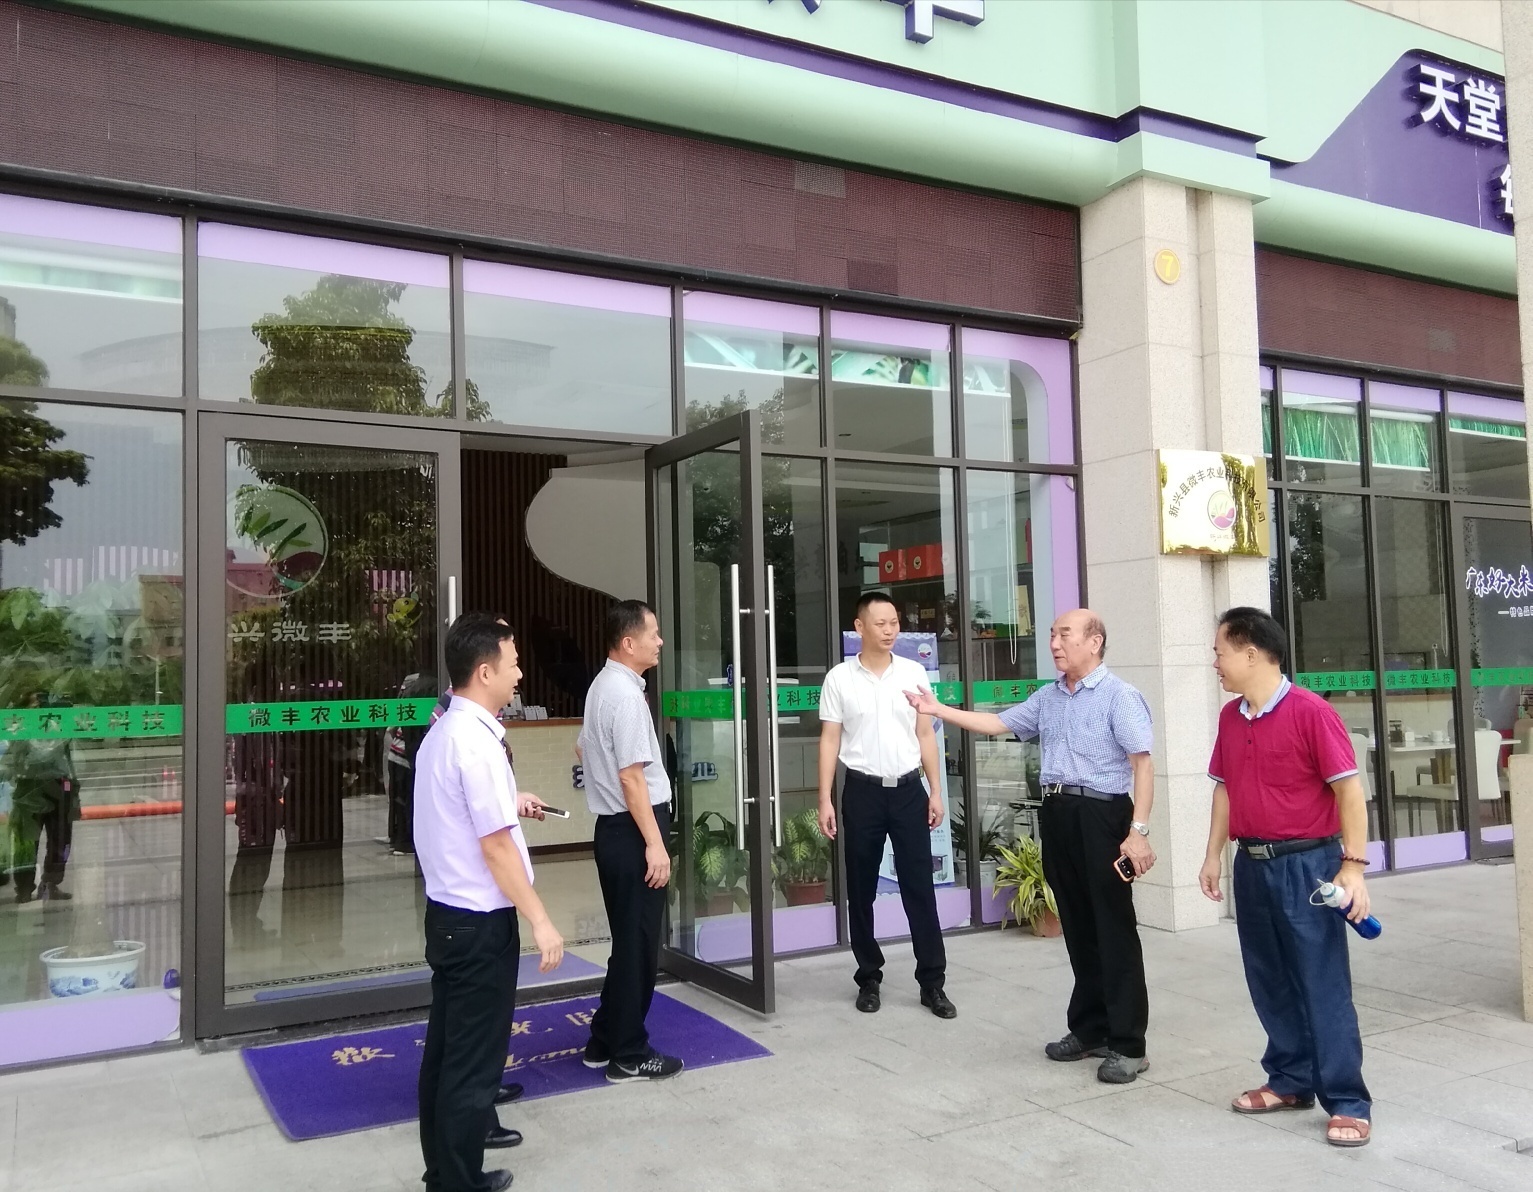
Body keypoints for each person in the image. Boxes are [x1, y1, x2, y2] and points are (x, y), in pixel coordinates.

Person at [907, 608, 1154, 1083]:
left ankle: (1128, 1044)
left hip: (1103, 816)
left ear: (1094, 642)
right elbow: (996, 723)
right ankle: (1090, 1030)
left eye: (1065, 634)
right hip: (1059, 813)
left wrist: (1137, 830)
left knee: (1113, 929)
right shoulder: (1049, 697)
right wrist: (937, 710)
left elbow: (1142, 764)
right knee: (1077, 926)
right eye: (1052, 635)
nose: (1055, 643)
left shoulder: (1119, 697)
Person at [1199, 606, 1372, 1148]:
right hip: (1252, 864)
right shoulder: (1231, 718)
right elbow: (1224, 788)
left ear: (1251, 653)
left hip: (1309, 867)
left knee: (1321, 980)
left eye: (1220, 652)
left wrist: (1353, 867)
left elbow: (1349, 792)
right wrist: (1213, 855)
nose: (1215, 663)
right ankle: (1290, 1080)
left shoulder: (1311, 712)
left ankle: (1347, 1100)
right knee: (1268, 977)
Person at [414, 613, 564, 1192]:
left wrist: (510, 796)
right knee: (472, 1065)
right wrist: (541, 920)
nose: (520, 674)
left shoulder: (444, 732)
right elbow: (496, 849)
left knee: (447, 1055)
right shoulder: (474, 742)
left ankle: (445, 1173)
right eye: (514, 664)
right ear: (484, 671)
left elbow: (462, 812)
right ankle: (457, 1182)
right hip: (478, 925)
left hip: (449, 918)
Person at [818, 591, 955, 1019]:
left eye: (894, 622)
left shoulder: (913, 673)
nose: (890, 630)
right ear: (859, 627)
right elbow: (830, 739)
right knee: (861, 890)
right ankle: (868, 977)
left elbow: (926, 734)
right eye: (881, 623)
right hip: (861, 792)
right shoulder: (839, 678)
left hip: (910, 791)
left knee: (919, 887)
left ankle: (932, 983)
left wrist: (936, 790)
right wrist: (824, 798)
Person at [577, 600, 683, 1082]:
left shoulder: (604, 686)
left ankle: (604, 1036)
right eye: (652, 634)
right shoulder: (623, 695)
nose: (659, 642)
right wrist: (654, 844)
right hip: (634, 828)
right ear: (627, 642)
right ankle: (629, 1052)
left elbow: (583, 747)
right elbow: (632, 777)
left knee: (629, 942)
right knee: (638, 945)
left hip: (615, 829)